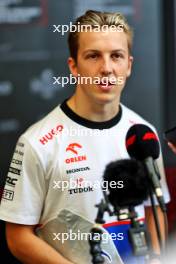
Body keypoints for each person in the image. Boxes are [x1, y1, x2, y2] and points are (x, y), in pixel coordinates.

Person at [0, 10, 170, 264]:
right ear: (74, 66)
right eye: (93, 56)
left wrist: (157, 258)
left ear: (129, 65)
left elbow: (155, 209)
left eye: (116, 56)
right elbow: (17, 236)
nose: (107, 68)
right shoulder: (36, 142)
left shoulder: (143, 132)